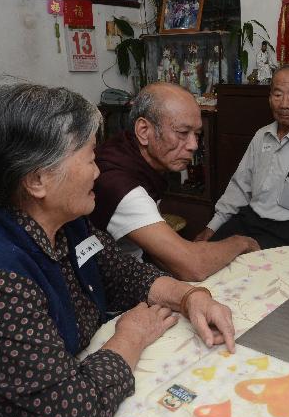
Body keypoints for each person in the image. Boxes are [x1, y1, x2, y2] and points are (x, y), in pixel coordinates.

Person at [0, 85, 237, 417]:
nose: (98, 170)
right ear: (37, 180)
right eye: (90, 157)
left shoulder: (66, 221)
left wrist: (191, 297)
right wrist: (131, 337)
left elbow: (124, 275)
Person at [90, 82, 259, 281]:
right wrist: (242, 242)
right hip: (113, 291)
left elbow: (161, 254)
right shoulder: (119, 183)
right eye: (182, 133)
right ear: (144, 131)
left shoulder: (130, 151)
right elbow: (193, 266)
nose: (193, 145)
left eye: (196, 134)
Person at [196, 65, 289, 248]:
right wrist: (212, 228)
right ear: (269, 98)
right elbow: (239, 188)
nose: (284, 104)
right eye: (277, 95)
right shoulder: (261, 136)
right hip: (249, 220)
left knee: (248, 270)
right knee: (204, 253)